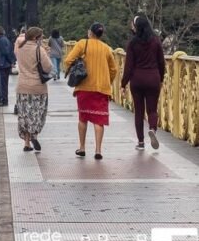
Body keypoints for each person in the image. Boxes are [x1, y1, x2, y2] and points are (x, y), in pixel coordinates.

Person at [64, 22, 118, 160]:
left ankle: (82, 148)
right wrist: (108, 81)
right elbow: (114, 69)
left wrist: (78, 63)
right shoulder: (106, 48)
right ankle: (98, 150)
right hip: (101, 89)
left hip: (84, 87)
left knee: (83, 118)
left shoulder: (83, 43)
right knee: (99, 119)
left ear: (90, 32)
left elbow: (68, 60)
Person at [121, 16, 165, 151]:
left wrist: (123, 84)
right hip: (153, 78)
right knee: (152, 109)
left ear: (137, 27)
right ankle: (152, 129)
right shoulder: (156, 41)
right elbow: (161, 62)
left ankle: (140, 142)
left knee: (139, 112)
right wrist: (161, 78)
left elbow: (128, 66)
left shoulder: (132, 43)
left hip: (137, 80)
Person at [15, 27, 53, 152]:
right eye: (41, 36)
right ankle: (34, 135)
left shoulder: (19, 48)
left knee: (25, 114)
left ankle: (27, 143)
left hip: (22, 86)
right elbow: (47, 68)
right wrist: (46, 54)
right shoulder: (39, 49)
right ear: (36, 37)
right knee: (37, 113)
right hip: (37, 87)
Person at [0, 26, 16, 107]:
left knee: (3, 84)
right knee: (1, 84)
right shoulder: (0, 40)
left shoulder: (2, 40)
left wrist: (11, 62)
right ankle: (1, 99)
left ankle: (4, 100)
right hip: (1, 64)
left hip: (4, 65)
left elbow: (6, 52)